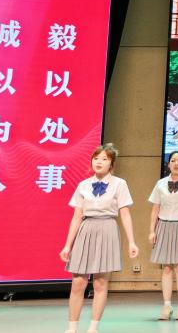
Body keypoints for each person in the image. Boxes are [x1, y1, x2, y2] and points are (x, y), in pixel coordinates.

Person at [60, 143, 139, 333]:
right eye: (96, 158)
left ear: (111, 163)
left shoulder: (119, 184)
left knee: (100, 283)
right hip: (86, 229)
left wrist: (132, 241)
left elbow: (125, 213)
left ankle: (93, 327)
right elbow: (77, 216)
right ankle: (72, 328)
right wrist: (67, 245)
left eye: (104, 159)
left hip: (107, 229)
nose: (99, 162)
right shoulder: (83, 185)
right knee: (78, 282)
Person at [148, 151, 178, 321]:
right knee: (166, 268)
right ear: (168, 164)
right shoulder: (160, 183)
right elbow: (155, 209)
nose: (176, 163)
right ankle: (166, 306)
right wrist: (152, 230)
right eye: (173, 160)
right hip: (164, 226)